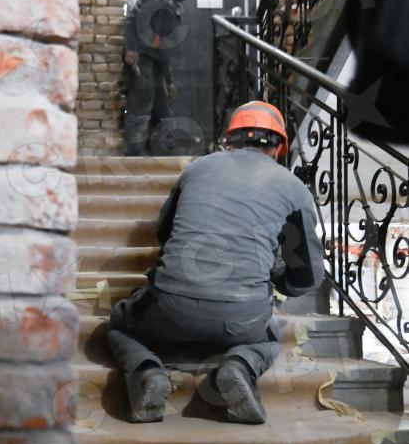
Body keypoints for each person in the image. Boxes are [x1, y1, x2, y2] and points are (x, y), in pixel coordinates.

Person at [107, 101, 325, 424]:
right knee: (269, 336)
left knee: (119, 324)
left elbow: (163, 232)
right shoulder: (294, 189)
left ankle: (147, 373)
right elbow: (307, 277)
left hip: (169, 308)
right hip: (242, 318)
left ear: (229, 140)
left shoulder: (198, 169)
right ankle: (239, 367)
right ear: (279, 146)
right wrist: (273, 274)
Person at [122, 0, 201, 156]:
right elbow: (132, 20)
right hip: (142, 60)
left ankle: (163, 153)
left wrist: (169, 79)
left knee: (162, 109)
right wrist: (131, 49)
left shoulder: (176, 8)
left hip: (157, 64)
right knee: (141, 104)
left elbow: (165, 49)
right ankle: (133, 154)